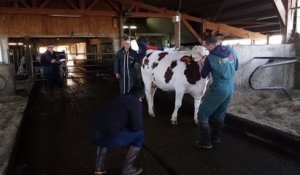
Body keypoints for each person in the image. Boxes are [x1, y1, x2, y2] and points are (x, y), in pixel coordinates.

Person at [88, 87, 145, 175]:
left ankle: (99, 167)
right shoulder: (135, 102)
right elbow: (136, 127)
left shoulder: (117, 99)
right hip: (108, 138)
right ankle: (128, 169)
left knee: (105, 129)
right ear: (140, 97)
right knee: (140, 134)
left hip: (93, 135)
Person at [195, 35, 239, 149]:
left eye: (206, 45)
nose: (205, 47)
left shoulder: (211, 58)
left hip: (219, 88)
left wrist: (201, 64)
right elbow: (236, 66)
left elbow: (203, 75)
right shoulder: (231, 51)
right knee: (220, 114)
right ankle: (215, 137)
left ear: (211, 45)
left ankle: (206, 142)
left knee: (202, 114)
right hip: (230, 88)